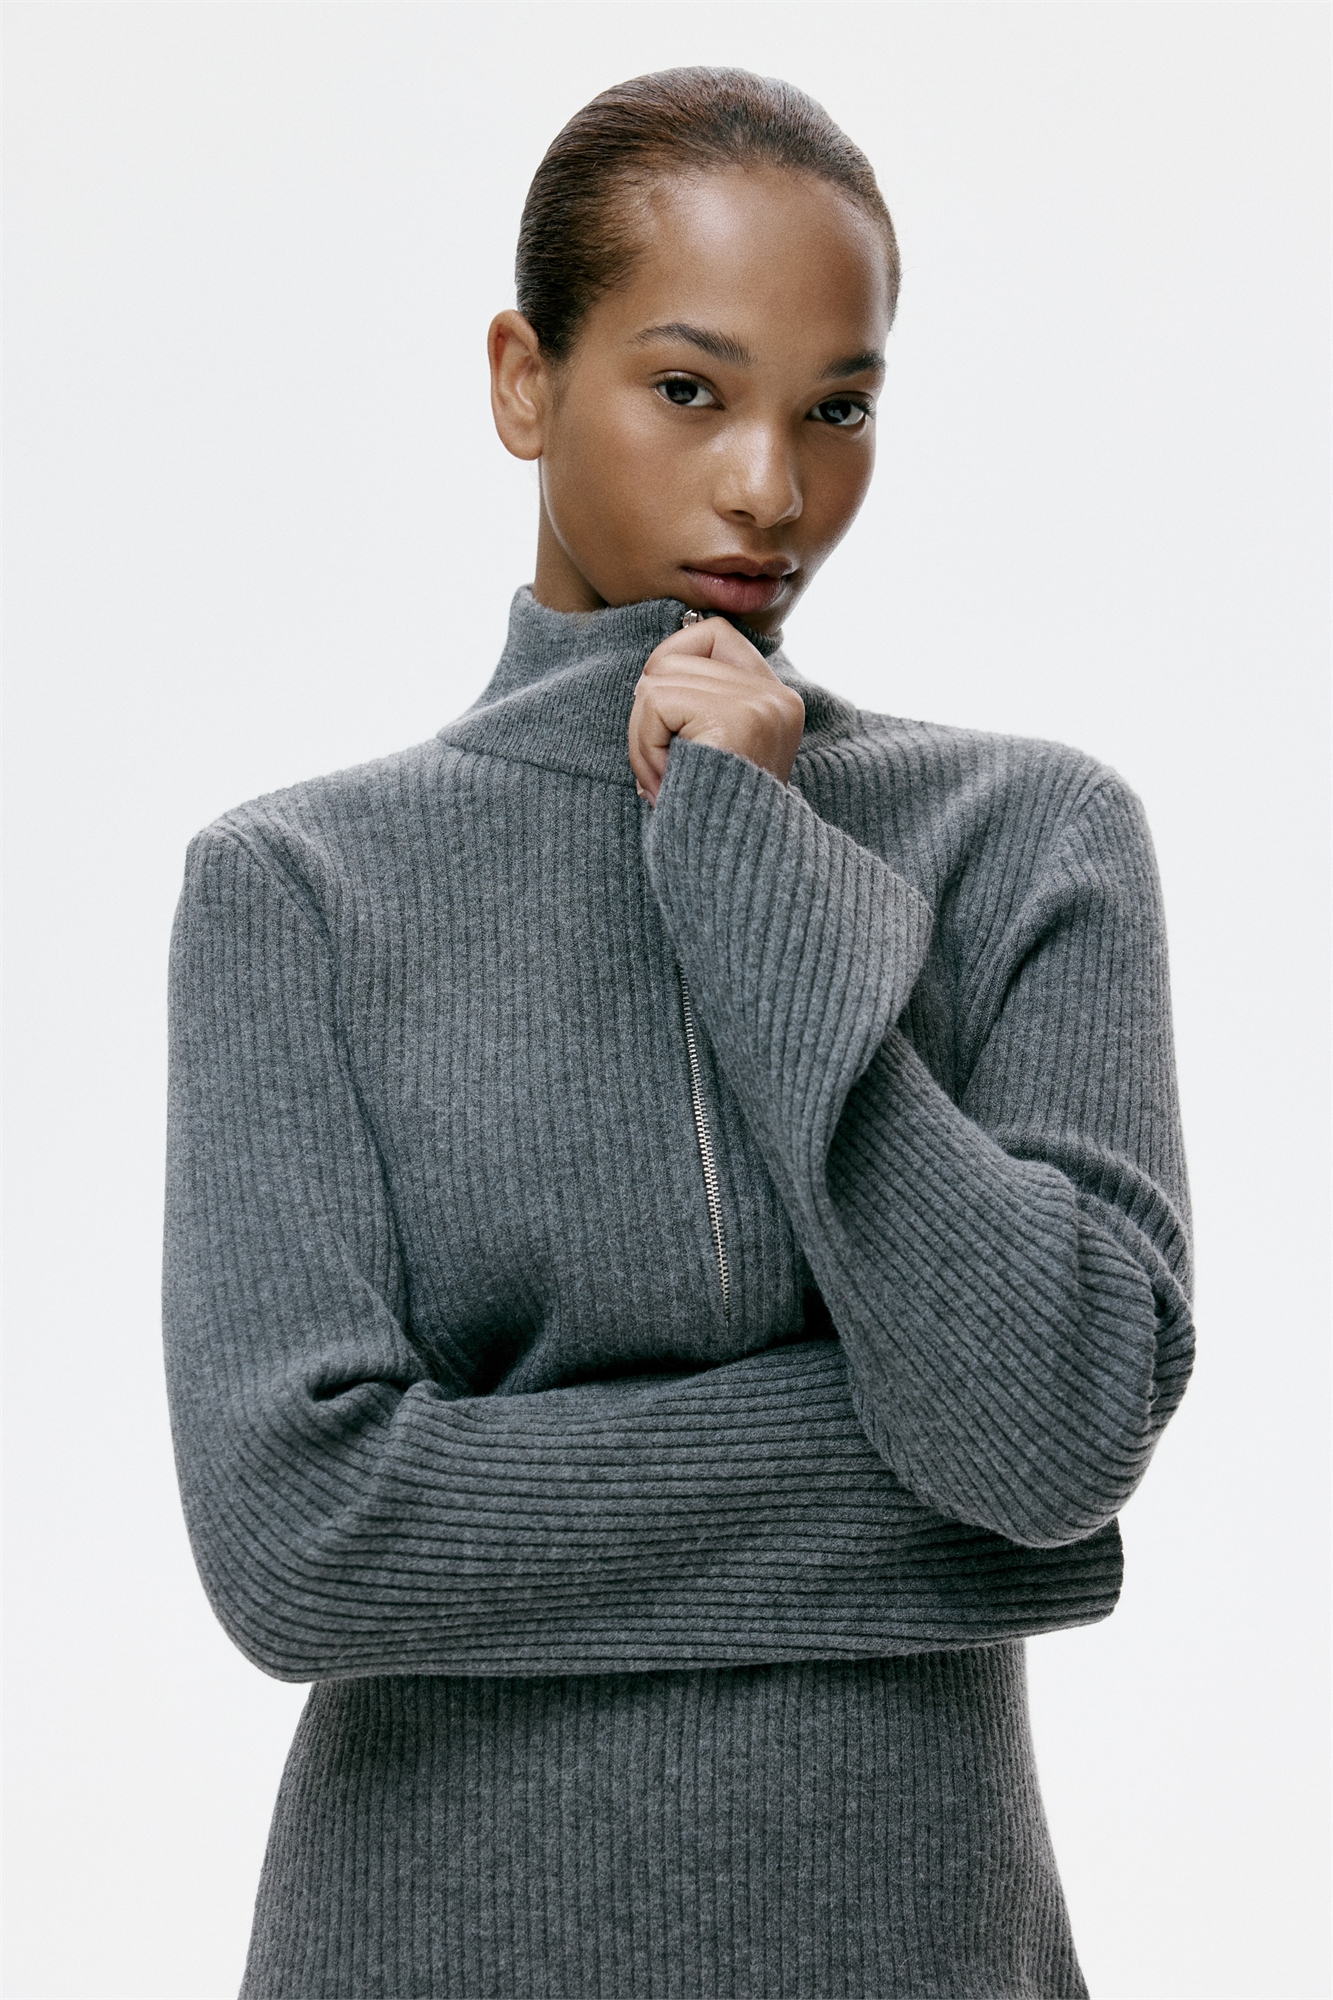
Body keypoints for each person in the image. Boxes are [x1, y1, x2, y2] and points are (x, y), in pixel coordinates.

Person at [163, 67, 1194, 2000]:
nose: (769, 489)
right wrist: (954, 1528)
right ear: (523, 381)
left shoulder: (1028, 837)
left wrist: (755, 872)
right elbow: (304, 1541)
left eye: (837, 408)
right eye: (690, 389)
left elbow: (1052, 1420)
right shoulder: (295, 889)